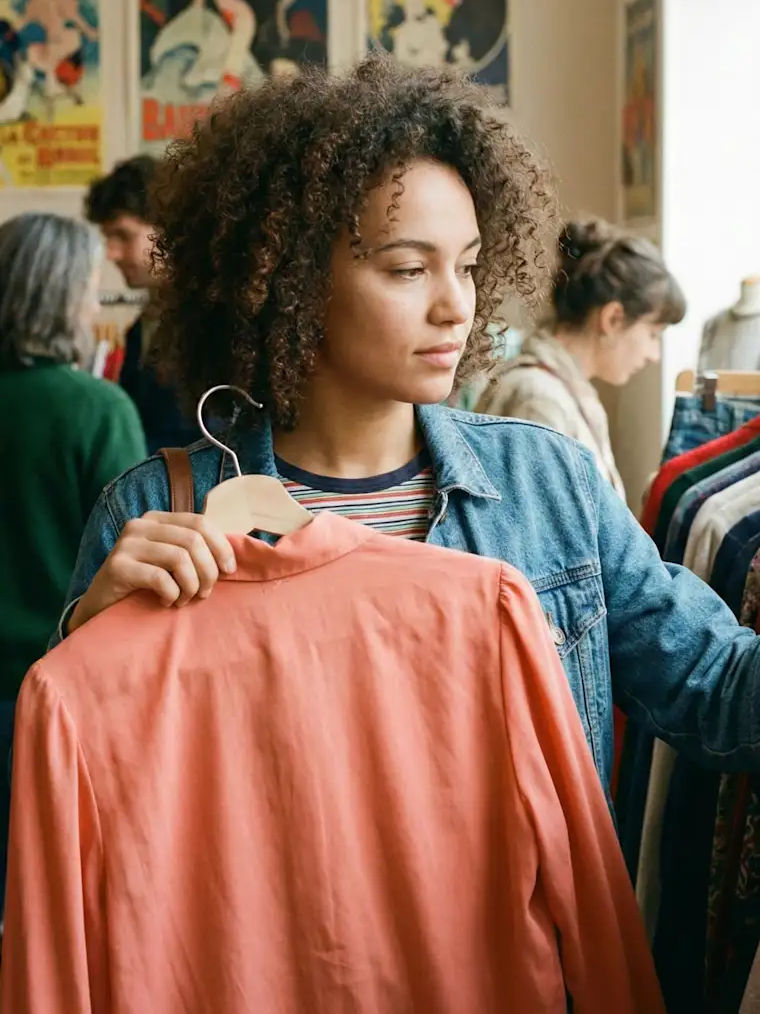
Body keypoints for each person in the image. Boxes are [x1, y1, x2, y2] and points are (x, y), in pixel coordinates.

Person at [54, 54, 760, 812]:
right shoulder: (159, 511)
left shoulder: (546, 485)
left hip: (511, 934)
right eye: (407, 269)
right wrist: (91, 642)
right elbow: (87, 813)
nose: (457, 306)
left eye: (468, 264)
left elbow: (717, 688)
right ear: (289, 279)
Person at [0, 212, 146, 914]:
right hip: (56, 692)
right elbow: (133, 563)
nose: (96, 307)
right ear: (62, 298)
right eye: (89, 289)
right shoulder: (97, 408)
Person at [478, 219, 686, 500]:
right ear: (613, 319)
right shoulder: (540, 402)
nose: (654, 356)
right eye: (653, 334)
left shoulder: (564, 391)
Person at [85, 155, 198, 453]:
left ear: (167, 230)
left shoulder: (207, 321)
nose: (112, 253)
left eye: (123, 236)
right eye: (108, 238)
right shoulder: (142, 326)